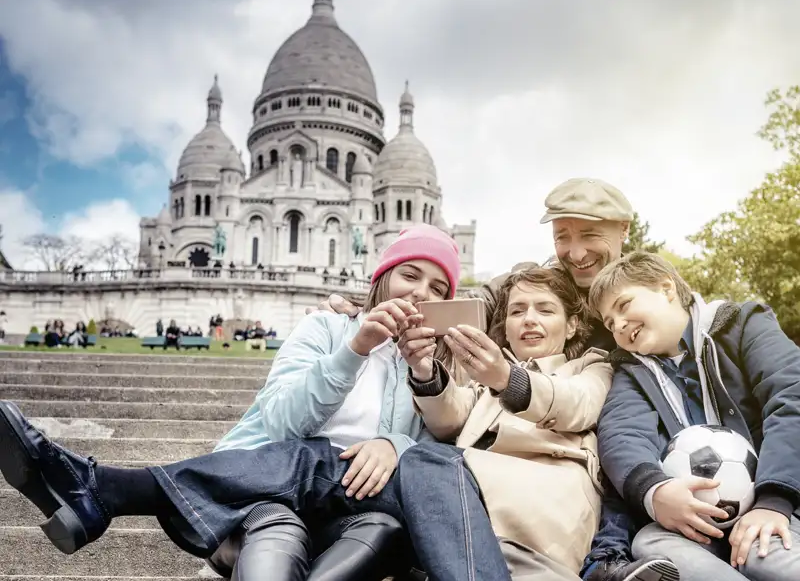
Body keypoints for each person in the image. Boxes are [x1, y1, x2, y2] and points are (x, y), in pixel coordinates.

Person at [0, 224, 460, 580]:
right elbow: (283, 424)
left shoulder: (432, 372)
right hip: (256, 497)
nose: (421, 293)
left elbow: (438, 463)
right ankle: (103, 489)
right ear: (382, 276)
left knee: (385, 529)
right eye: (410, 274)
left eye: (439, 289)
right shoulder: (324, 330)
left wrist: (395, 445)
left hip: (351, 515)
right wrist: (355, 349)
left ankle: (104, 488)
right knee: (280, 523)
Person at [310, 178, 676, 581]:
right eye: (562, 237)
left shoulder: (605, 347)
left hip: (553, 488)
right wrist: (393, 328)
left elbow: (583, 401)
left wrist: (508, 379)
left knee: (426, 464)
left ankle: (602, 559)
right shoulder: (526, 291)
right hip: (480, 493)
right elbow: (468, 312)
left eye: (590, 235)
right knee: (373, 469)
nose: (576, 252)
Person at [588, 251, 800, 581]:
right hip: (704, 524)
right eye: (609, 322)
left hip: (780, 502)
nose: (618, 324)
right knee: (649, 542)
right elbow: (621, 433)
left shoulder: (742, 324)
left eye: (624, 305)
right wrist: (655, 492)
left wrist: (774, 501)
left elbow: (791, 397)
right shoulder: (632, 373)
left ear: (666, 287)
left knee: (762, 555)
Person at [395, 265, 612, 580]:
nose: (529, 319)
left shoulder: (591, 367)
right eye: (517, 311)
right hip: (469, 509)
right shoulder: (484, 380)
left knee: (421, 461)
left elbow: (577, 403)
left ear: (571, 326)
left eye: (545, 309)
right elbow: (450, 419)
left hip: (538, 515)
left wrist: (508, 379)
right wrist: (424, 371)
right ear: (506, 328)